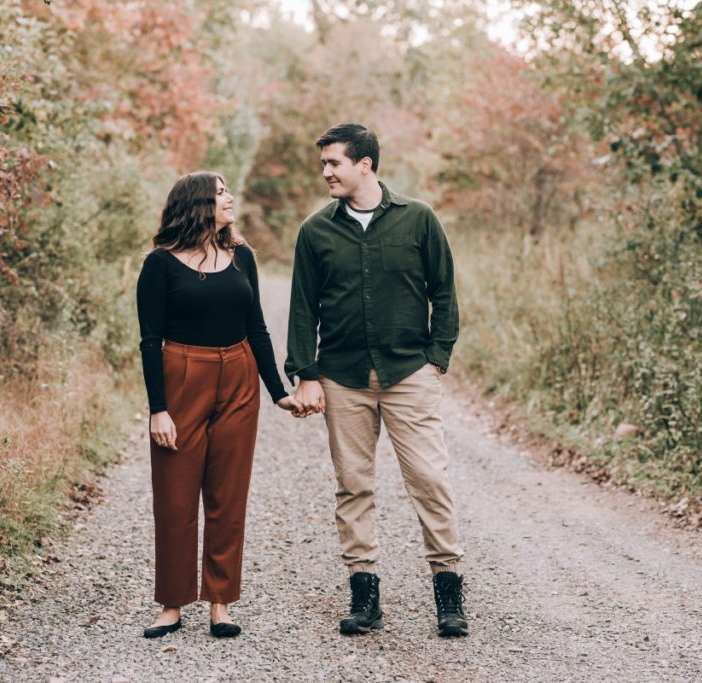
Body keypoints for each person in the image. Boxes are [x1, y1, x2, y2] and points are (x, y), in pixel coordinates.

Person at [285, 123, 469, 637]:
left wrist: (437, 357)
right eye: (323, 164)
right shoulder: (316, 231)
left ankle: (449, 595)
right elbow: (303, 309)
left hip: (409, 372)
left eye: (333, 163)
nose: (325, 172)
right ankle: (364, 596)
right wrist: (306, 375)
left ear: (365, 164)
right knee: (353, 485)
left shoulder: (418, 220)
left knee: (429, 480)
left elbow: (445, 292)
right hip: (343, 377)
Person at [136, 171, 299, 639]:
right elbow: (150, 341)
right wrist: (158, 409)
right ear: (197, 204)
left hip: (239, 375)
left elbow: (259, 329)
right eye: (221, 192)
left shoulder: (242, 255)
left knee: (228, 494)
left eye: (228, 191)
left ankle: (220, 603)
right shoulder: (160, 265)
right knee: (176, 495)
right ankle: (171, 604)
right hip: (183, 374)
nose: (230, 199)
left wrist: (278, 391)